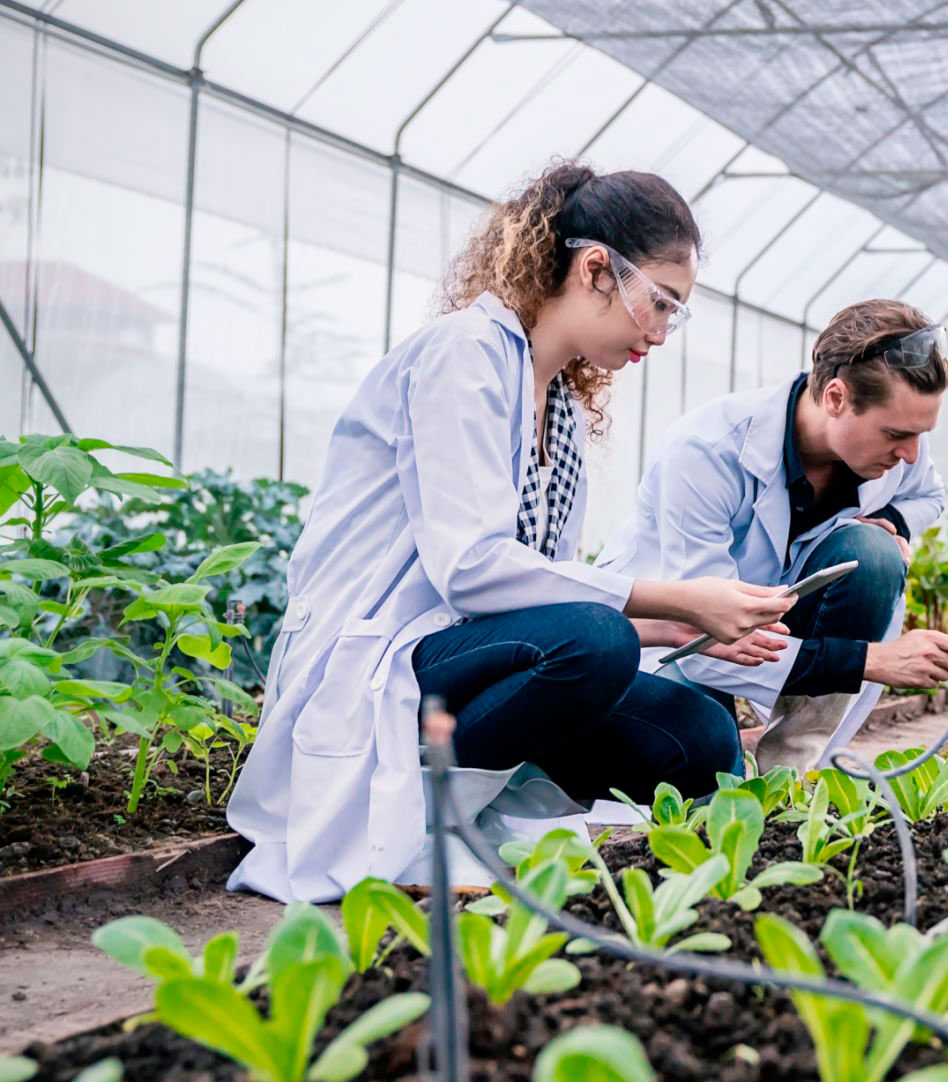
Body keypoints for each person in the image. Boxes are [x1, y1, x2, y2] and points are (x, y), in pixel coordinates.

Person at [226, 162, 793, 903]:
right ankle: (432, 833)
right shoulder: (465, 354)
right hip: (384, 657)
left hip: (464, 659)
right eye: (659, 304)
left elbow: (535, 595)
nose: (659, 333)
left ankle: (479, 810)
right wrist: (680, 600)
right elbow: (470, 570)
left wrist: (677, 628)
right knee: (598, 640)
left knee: (700, 735)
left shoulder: (555, 401)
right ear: (596, 269)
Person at [598, 300, 948, 771]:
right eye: (898, 434)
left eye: (922, 433)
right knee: (705, 760)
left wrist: (893, 521)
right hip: (670, 644)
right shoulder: (708, 452)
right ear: (835, 398)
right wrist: (869, 661)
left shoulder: (897, 441)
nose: (913, 454)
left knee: (872, 554)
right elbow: (702, 644)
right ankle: (727, 743)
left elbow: (927, 495)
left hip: (771, 615)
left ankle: (790, 768)